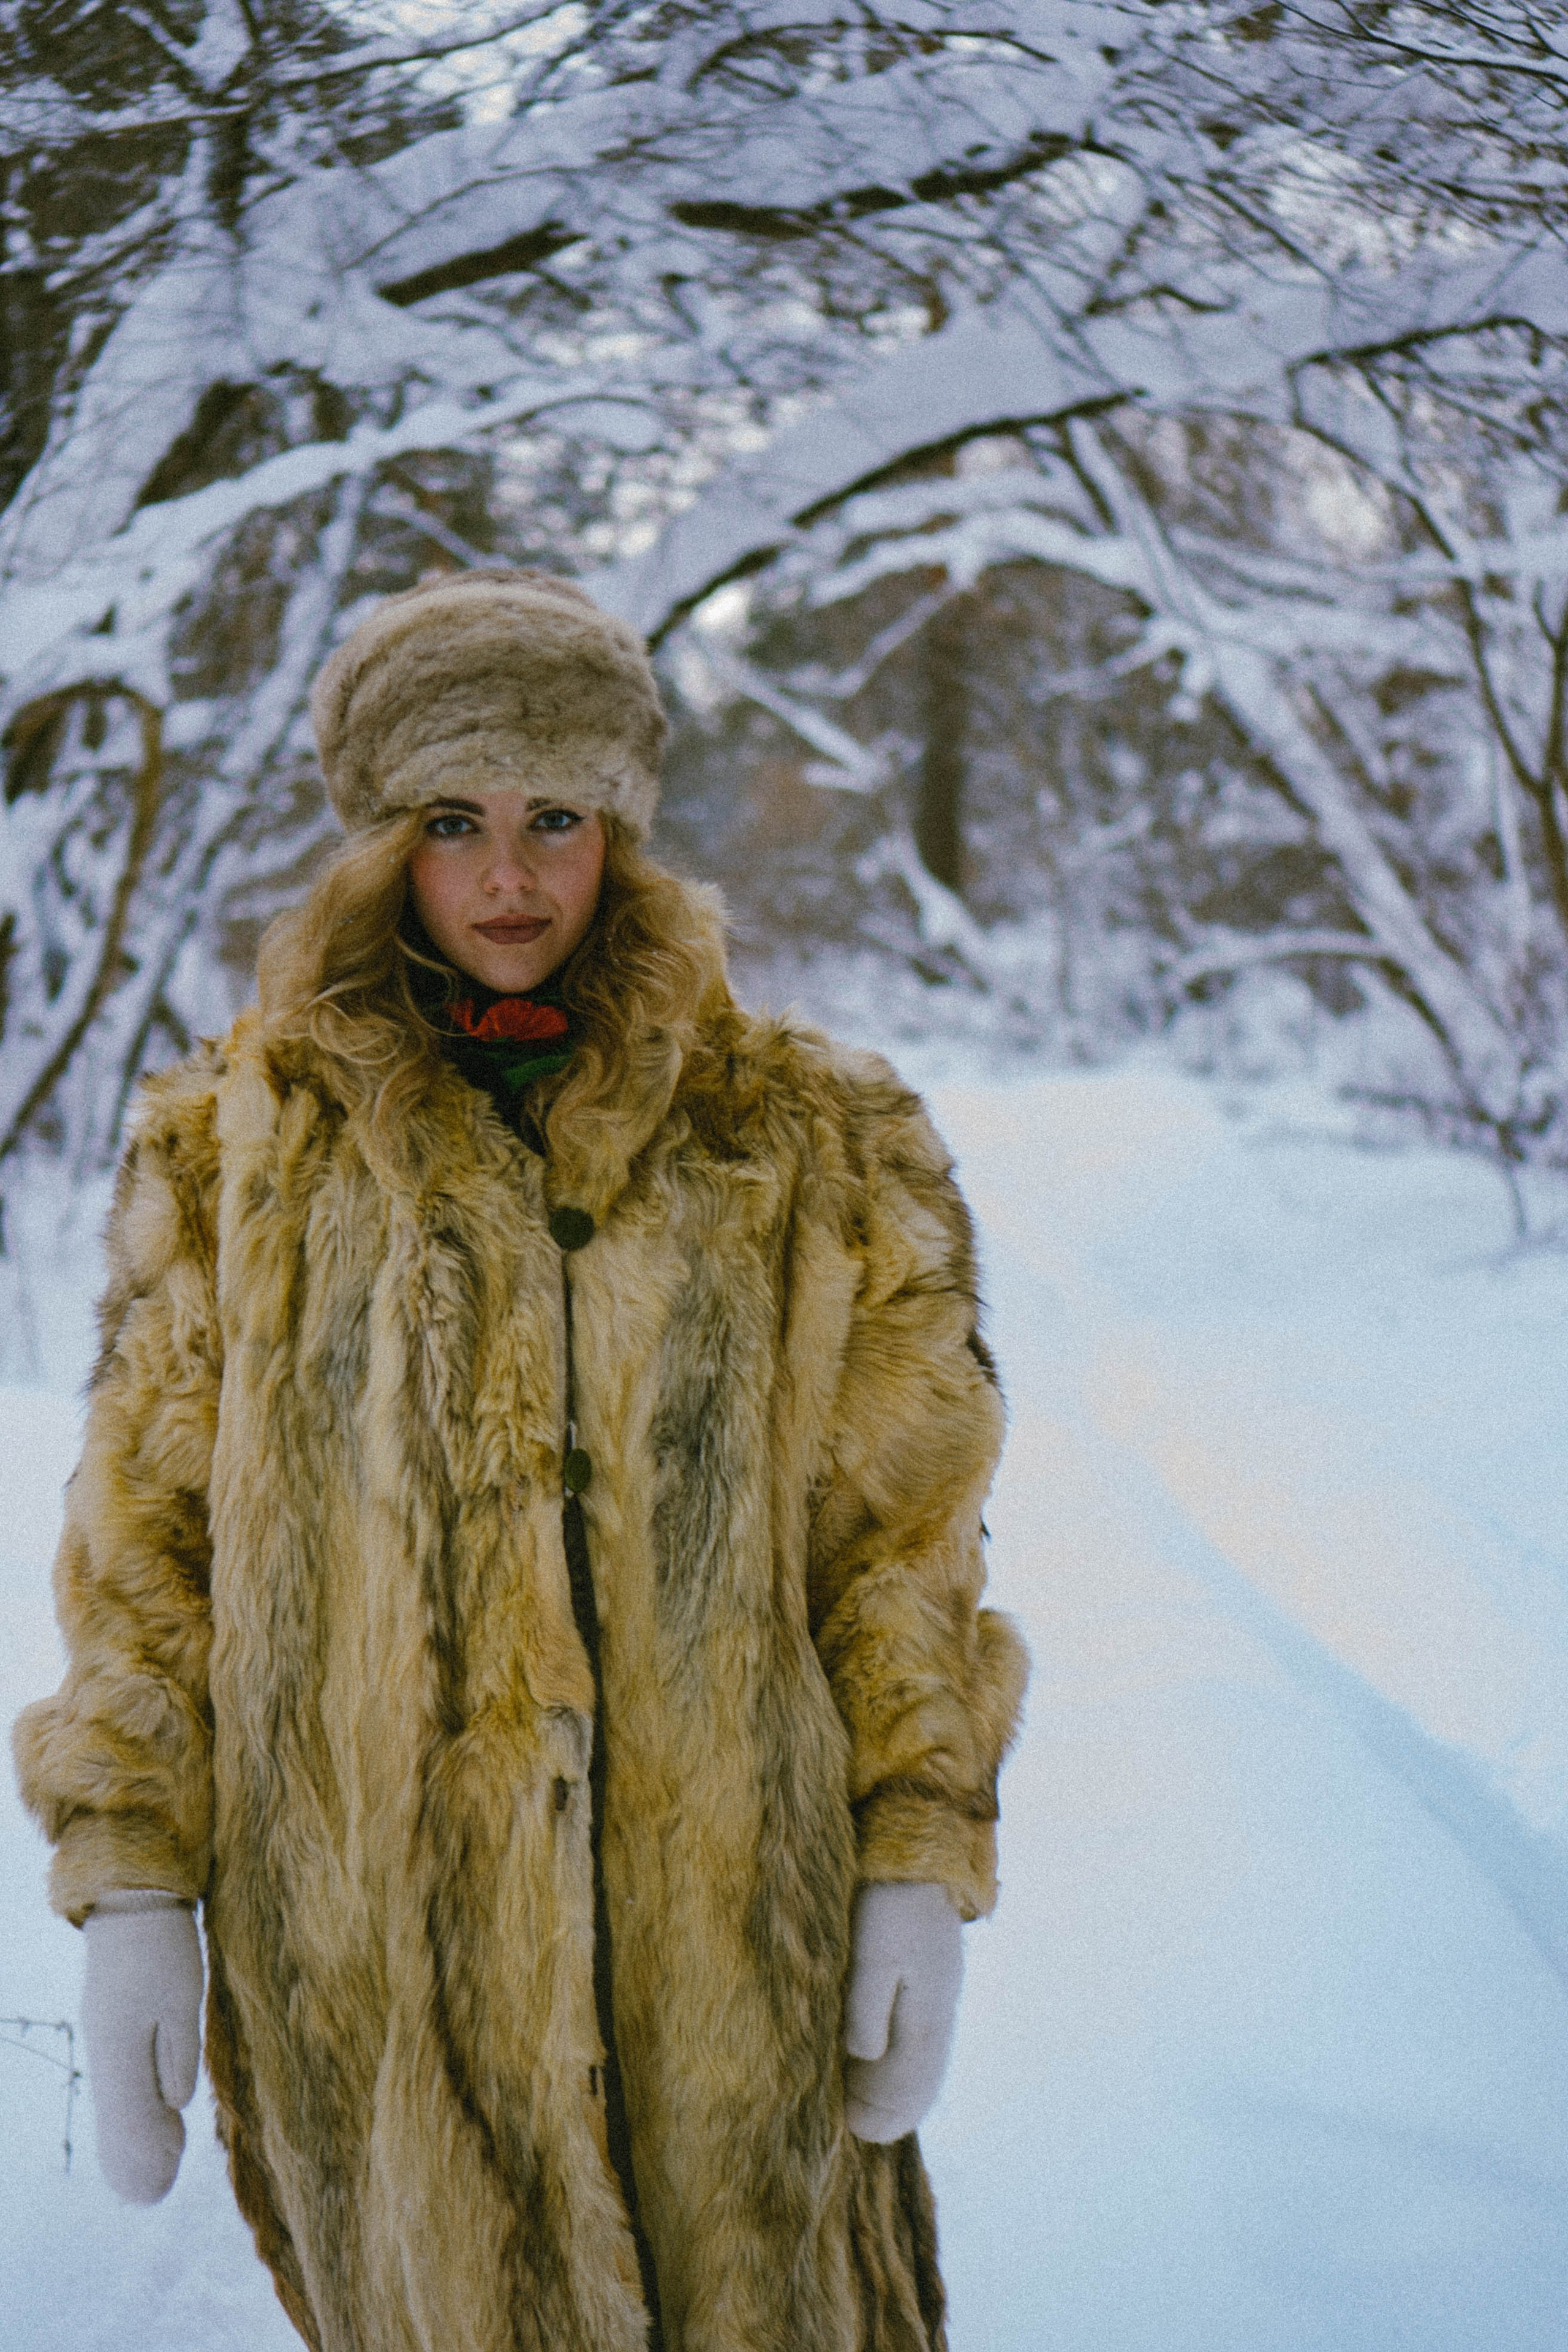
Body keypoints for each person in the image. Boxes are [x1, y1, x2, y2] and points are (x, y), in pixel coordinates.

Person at [13, 570, 1028, 2352]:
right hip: (381, 1996)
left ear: (619, 830)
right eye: (452, 823)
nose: (509, 877)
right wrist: (136, 1873)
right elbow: (147, 1546)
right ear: (382, 845)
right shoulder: (231, 1151)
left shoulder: (813, 1138)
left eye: (556, 817)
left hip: (736, 1973)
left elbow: (901, 1542)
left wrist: (916, 1847)